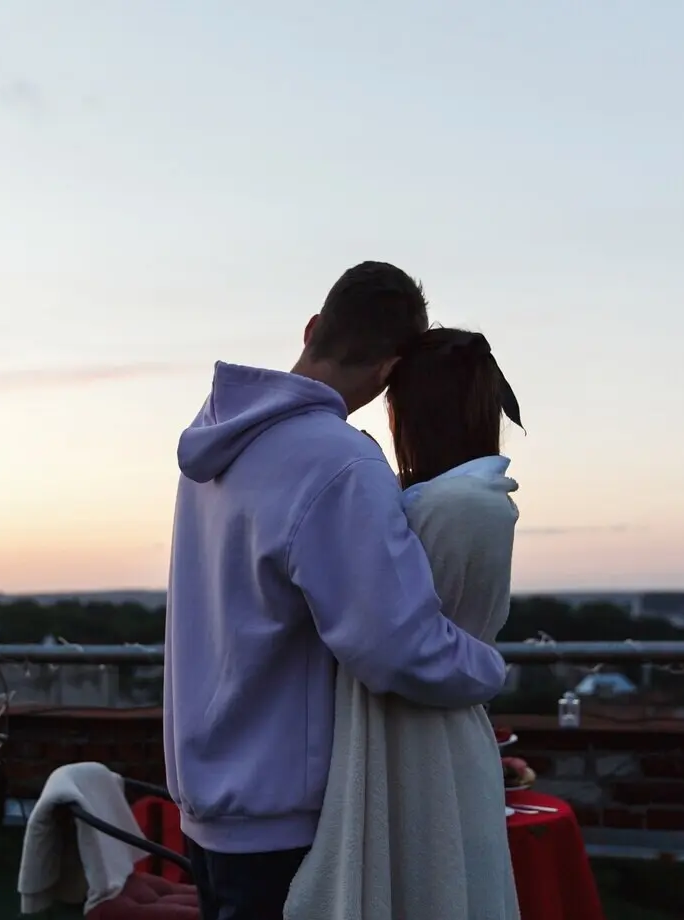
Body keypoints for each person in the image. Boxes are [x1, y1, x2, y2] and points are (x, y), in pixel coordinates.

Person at [163, 262, 510, 920]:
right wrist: (490, 667)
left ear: (314, 326)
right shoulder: (339, 462)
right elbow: (395, 644)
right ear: (390, 374)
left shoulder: (216, 445)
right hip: (284, 825)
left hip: (207, 807)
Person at [285, 326, 524, 920]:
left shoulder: (441, 508)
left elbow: (387, 628)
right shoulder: (472, 499)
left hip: (408, 731)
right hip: (443, 720)